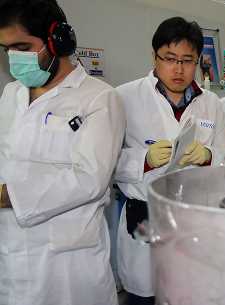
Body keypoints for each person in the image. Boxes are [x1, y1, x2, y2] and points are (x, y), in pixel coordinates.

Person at [0, 1, 125, 305]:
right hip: (11, 254)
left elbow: (89, 178)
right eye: (6, 50)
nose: (14, 58)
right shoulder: (11, 94)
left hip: (68, 264)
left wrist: (7, 195)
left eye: (22, 46)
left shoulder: (99, 98)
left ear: (58, 40)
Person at [114, 16, 225, 305]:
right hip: (145, 218)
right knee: (144, 295)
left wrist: (209, 156)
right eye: (169, 59)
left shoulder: (211, 103)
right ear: (154, 56)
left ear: (198, 61)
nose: (178, 69)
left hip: (195, 222)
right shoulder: (123, 97)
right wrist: (143, 159)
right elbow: (105, 163)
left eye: (187, 60)